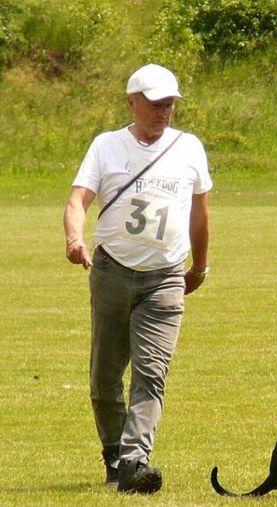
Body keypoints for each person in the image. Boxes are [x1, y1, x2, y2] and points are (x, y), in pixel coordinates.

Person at [63, 63, 212, 494]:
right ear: (132, 102)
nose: (163, 111)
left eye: (169, 104)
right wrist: (75, 239)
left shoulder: (189, 148)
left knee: (151, 372)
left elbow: (199, 212)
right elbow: (78, 200)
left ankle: (134, 460)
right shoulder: (106, 146)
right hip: (110, 272)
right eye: (155, 104)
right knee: (104, 376)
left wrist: (199, 267)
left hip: (165, 277)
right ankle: (115, 454)